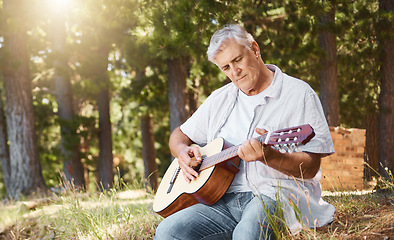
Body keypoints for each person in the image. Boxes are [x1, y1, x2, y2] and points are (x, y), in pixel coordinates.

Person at [155, 24, 335, 239]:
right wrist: (182, 152)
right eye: (226, 68)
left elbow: (311, 167)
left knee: (247, 234)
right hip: (221, 200)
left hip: (276, 196)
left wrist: (270, 156)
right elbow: (179, 136)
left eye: (237, 60)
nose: (234, 72)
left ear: (255, 49)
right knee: (168, 232)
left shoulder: (299, 94)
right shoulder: (219, 99)